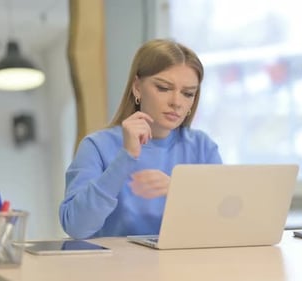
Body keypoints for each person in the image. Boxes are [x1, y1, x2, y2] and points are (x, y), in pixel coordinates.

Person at [59, 39, 222, 239]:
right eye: (163, 88)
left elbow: (223, 223)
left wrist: (180, 191)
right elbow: (76, 227)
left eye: (188, 93)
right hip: (113, 268)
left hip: (184, 267)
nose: (176, 102)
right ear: (137, 87)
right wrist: (126, 157)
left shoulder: (203, 148)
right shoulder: (97, 146)